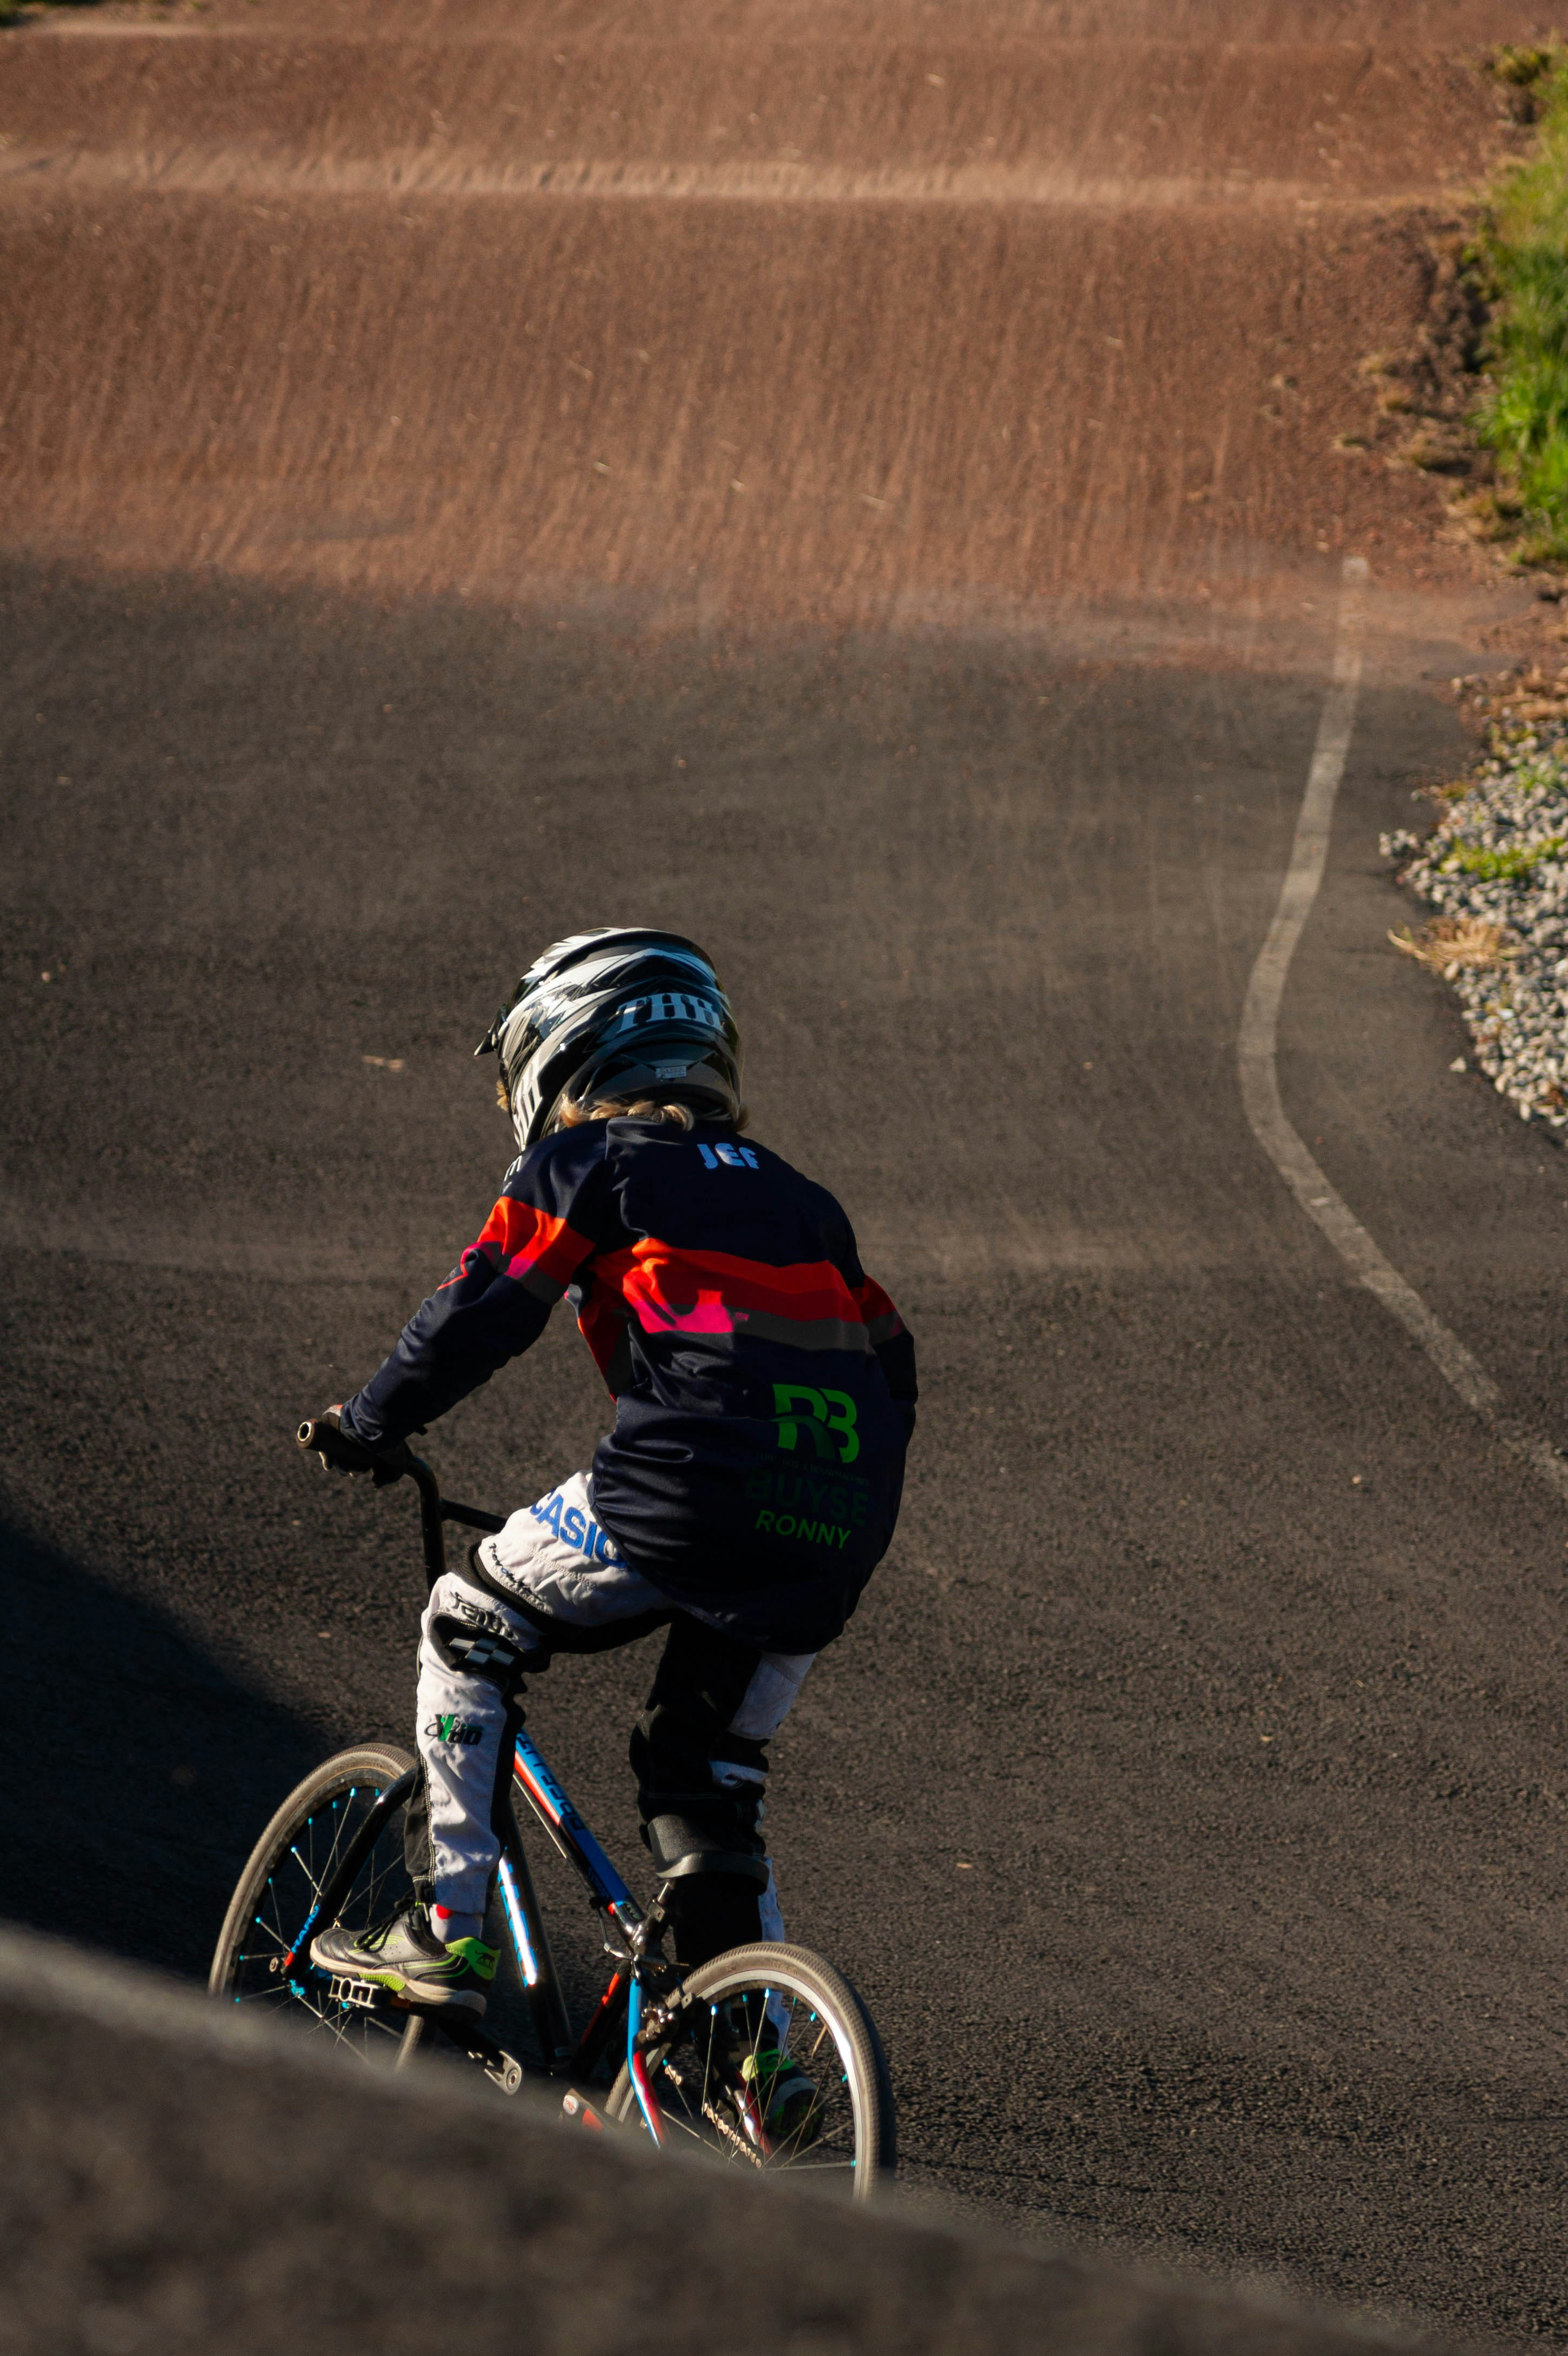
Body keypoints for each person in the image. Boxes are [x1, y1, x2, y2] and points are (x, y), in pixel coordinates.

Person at [309, 929, 917, 2061]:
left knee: (465, 1619)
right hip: (834, 1519)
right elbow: (893, 1365)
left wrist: (371, 1418)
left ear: (566, 1048)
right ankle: (764, 2068)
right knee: (704, 1770)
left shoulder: (587, 1164)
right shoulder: (803, 1201)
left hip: (675, 1488)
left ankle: (444, 1930)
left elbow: (484, 1301)